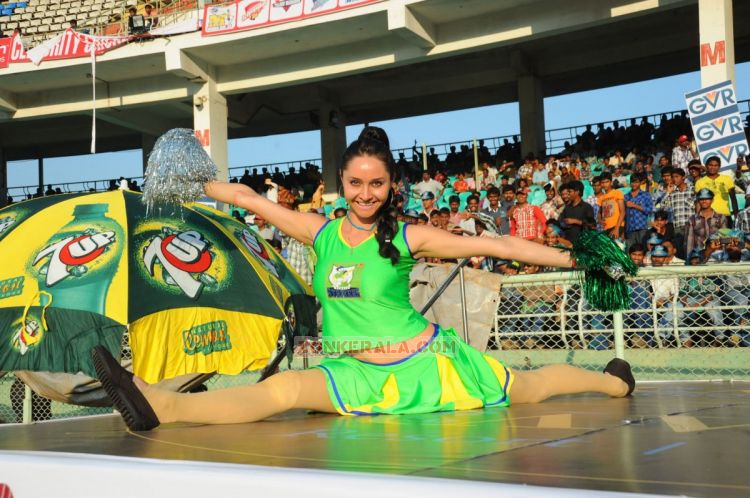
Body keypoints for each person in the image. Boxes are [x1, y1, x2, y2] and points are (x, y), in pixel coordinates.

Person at [92, 127, 634, 432]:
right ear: (342, 182)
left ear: (390, 184)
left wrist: (579, 260)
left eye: (376, 184)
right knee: (282, 389)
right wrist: (177, 182)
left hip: (427, 365)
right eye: (355, 183)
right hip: (354, 369)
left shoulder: (408, 238)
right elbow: (246, 198)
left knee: (531, 386)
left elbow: (497, 245)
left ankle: (615, 380)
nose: (365, 194)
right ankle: (160, 405)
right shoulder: (318, 232)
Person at [686, 188, 727, 256]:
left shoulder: (721, 217)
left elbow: (724, 238)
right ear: (698, 201)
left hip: (717, 255)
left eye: (707, 198)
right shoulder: (692, 219)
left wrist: (724, 255)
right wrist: (689, 258)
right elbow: (689, 242)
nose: (704, 201)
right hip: (699, 255)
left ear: (712, 200)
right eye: (701, 199)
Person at [598, 172, 625, 240]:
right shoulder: (601, 198)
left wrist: (617, 228)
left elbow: (623, 212)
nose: (604, 184)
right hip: (606, 228)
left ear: (611, 182)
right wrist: (599, 219)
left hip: (616, 226)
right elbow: (599, 212)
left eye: (606, 182)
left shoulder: (617, 193)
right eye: (602, 182)